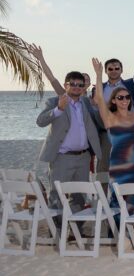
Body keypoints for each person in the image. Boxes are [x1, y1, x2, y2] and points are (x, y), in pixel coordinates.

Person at [37, 70, 102, 207]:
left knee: (79, 197)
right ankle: (56, 228)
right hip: (62, 158)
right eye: (72, 84)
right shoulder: (55, 101)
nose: (76, 87)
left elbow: (99, 121)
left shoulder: (86, 102)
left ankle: (76, 228)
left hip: (84, 158)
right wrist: (58, 109)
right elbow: (40, 121)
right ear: (65, 85)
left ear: (84, 87)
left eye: (80, 85)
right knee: (56, 197)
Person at [90, 58, 134, 205]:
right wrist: (99, 74)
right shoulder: (109, 118)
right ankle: (115, 228)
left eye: (127, 97)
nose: (124, 100)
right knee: (117, 200)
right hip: (117, 164)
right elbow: (100, 99)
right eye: (120, 97)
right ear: (114, 100)